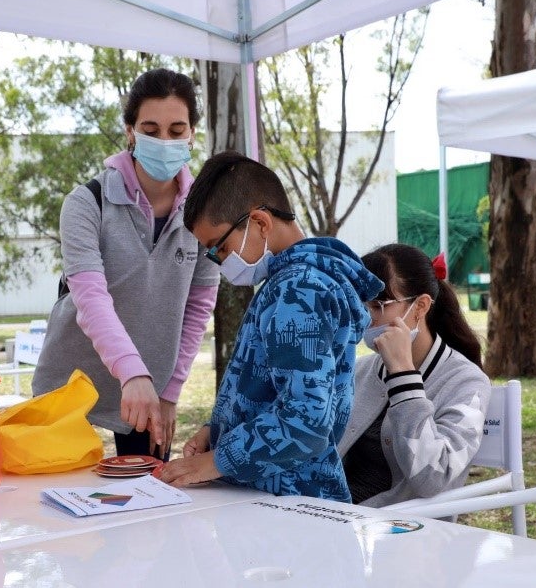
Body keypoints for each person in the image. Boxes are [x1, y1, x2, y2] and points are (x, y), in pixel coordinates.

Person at [156, 151, 383, 500]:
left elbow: (305, 422)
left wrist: (216, 460)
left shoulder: (299, 291)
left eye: (220, 247)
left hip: (291, 510)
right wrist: (215, 431)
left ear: (260, 223)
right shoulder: (297, 283)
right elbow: (273, 390)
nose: (219, 262)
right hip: (279, 497)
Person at [32, 68, 220, 459]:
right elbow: (91, 298)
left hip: (149, 389)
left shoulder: (205, 212)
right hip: (72, 382)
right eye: (150, 129)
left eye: (176, 129)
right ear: (130, 131)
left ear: (192, 135)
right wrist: (131, 370)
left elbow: (198, 307)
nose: (164, 140)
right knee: (60, 502)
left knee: (145, 505)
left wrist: (169, 391)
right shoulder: (86, 203)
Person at [338, 244, 491, 507]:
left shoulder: (466, 382)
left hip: (401, 530)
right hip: (334, 515)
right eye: (360, 306)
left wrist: (403, 376)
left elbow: (433, 478)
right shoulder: (362, 370)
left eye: (378, 305)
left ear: (420, 307)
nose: (365, 319)